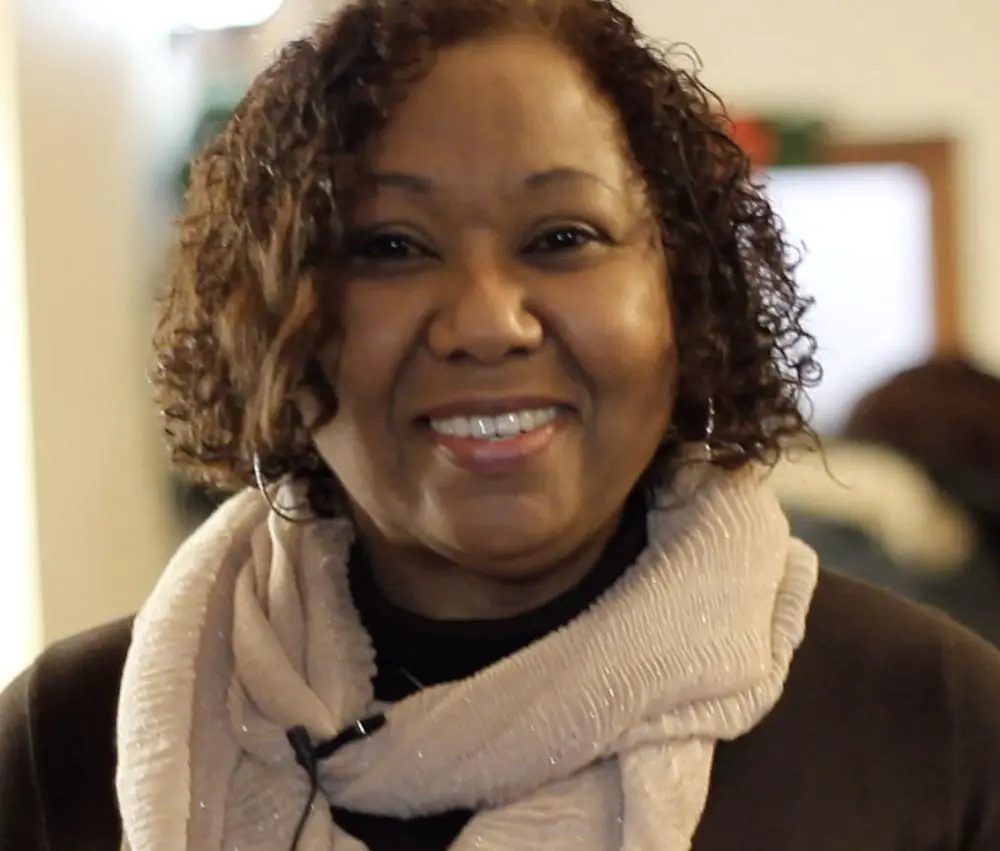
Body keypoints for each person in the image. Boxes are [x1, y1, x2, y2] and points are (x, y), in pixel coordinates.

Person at [2, 1, 999, 849]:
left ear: (684, 295)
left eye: (562, 237)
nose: (486, 321)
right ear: (281, 318)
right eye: (391, 245)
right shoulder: (66, 747)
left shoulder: (932, 728)